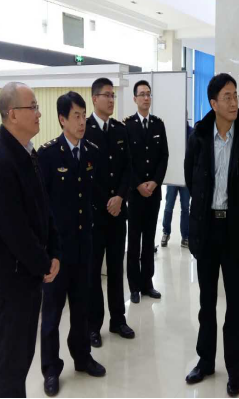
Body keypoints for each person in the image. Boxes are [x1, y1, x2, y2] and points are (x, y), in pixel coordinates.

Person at [0, 82, 61, 398]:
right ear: (12, 114)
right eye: (33, 107)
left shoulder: (27, 153)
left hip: (29, 276)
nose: (39, 113)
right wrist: (44, 263)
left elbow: (44, 208)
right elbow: (15, 232)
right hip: (12, 283)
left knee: (22, 359)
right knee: (11, 366)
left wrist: (54, 252)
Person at [184, 73, 239, 398]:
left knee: (235, 303)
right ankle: (205, 361)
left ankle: (235, 369)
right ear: (213, 103)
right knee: (206, 302)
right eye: (227, 97)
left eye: (236, 95)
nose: (233, 102)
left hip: (234, 230)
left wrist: (237, 209)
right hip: (207, 228)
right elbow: (191, 177)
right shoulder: (199, 136)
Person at [37, 92, 106, 397]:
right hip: (58, 251)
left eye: (83, 115)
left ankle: (82, 357)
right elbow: (41, 207)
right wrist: (47, 250)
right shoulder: (47, 155)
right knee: (52, 313)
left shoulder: (91, 151)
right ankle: (51, 369)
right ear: (62, 119)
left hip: (83, 246)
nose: (82, 121)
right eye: (76, 116)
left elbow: (92, 197)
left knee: (81, 306)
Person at [86, 78, 135, 348]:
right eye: (107, 95)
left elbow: (128, 167)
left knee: (116, 268)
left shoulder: (119, 129)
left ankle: (118, 320)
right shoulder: (85, 129)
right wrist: (106, 200)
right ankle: (93, 326)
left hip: (118, 213)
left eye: (113, 96)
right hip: (96, 214)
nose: (111, 100)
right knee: (94, 272)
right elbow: (86, 175)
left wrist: (120, 197)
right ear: (95, 98)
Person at [125, 80, 169, 304]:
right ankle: (134, 286)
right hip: (135, 194)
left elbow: (164, 156)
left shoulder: (158, 125)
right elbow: (126, 160)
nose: (146, 98)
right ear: (134, 99)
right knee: (134, 240)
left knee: (149, 238)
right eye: (142, 94)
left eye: (148, 94)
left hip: (153, 193)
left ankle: (147, 283)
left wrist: (155, 182)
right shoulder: (127, 125)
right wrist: (138, 184)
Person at [161, 121, 194, 249]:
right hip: (173, 175)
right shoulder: (171, 131)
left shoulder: (191, 132)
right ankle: (166, 232)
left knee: (185, 207)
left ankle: (185, 236)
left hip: (185, 177)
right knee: (169, 206)